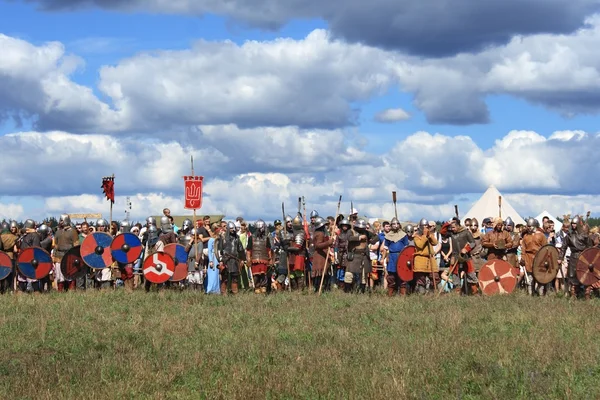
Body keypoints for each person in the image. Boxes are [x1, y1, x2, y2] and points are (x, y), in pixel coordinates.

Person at [383, 217, 410, 296]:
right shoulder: (388, 236)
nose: (395, 225)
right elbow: (385, 248)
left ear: (399, 225)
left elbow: (406, 247)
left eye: (397, 223)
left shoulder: (403, 235)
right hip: (392, 257)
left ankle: (402, 294)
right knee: (391, 276)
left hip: (401, 257)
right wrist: (383, 258)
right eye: (394, 224)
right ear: (391, 225)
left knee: (402, 276)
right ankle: (390, 294)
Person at [413, 218, 439, 294]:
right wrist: (424, 236)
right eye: (423, 226)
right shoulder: (416, 236)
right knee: (421, 279)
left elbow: (435, 243)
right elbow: (420, 245)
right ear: (420, 226)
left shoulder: (429, 235)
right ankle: (422, 294)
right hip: (420, 259)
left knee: (435, 277)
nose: (425, 228)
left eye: (426, 226)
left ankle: (432, 293)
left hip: (430, 259)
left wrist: (430, 235)